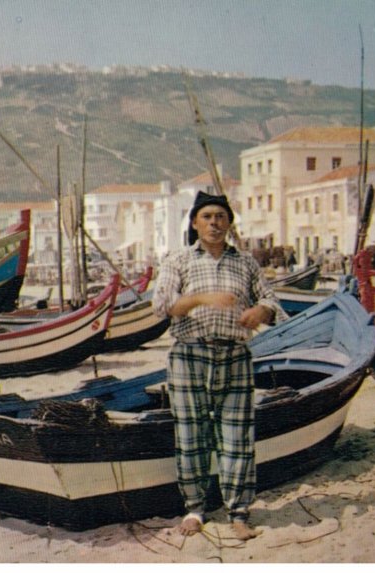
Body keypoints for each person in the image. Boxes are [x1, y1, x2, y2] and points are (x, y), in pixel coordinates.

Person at [152, 191, 287, 541]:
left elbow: (271, 299)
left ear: (229, 223)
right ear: (195, 223)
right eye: (207, 217)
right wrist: (199, 299)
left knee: (237, 438)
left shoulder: (246, 263)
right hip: (189, 355)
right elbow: (162, 305)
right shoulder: (177, 260)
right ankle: (195, 508)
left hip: (235, 356)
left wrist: (262, 311)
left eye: (221, 217)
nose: (214, 223)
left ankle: (238, 513)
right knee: (191, 436)